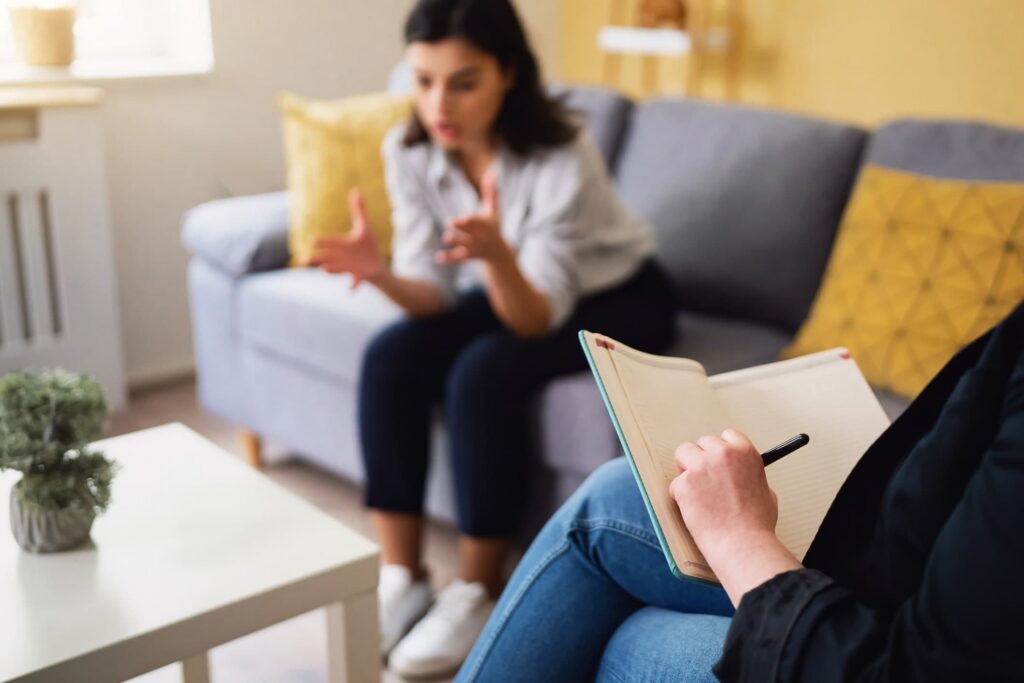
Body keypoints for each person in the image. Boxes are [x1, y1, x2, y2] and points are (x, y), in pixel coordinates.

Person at [306, 0, 677, 676]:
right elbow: (432, 292)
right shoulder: (410, 149)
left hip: (619, 295)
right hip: (512, 283)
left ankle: (477, 586)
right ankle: (403, 577)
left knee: (483, 371)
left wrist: (498, 256)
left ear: (508, 73)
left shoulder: (564, 150)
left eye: (463, 81)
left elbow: (532, 318)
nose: (438, 103)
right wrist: (381, 274)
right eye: (422, 80)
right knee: (391, 354)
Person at [455, 300, 1024, 682]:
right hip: (898, 583)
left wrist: (740, 535)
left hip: (873, 648)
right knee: (614, 498)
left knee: (633, 635)